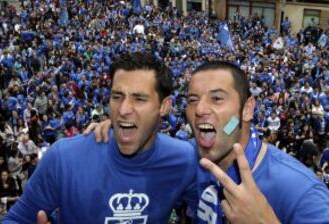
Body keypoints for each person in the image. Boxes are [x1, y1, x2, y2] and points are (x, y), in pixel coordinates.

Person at [87, 61, 329, 223]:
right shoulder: (187, 157)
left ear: (246, 110)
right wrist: (118, 126)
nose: (200, 109)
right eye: (192, 99)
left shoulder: (303, 192)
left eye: (217, 98)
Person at [3, 52, 197, 223]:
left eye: (139, 99)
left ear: (164, 106)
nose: (123, 109)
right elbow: (16, 219)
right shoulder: (64, 158)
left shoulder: (184, 159)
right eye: (117, 96)